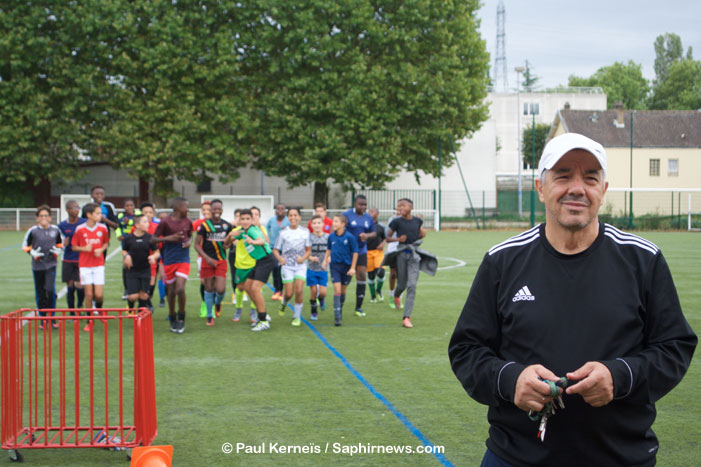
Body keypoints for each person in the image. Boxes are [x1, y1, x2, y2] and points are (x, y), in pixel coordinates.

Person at [448, 133, 697, 467]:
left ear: (603, 191)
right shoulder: (502, 261)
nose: (577, 188)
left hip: (621, 457)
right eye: (563, 175)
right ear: (541, 187)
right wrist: (511, 380)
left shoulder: (642, 260)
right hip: (516, 457)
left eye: (590, 178)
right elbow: (467, 350)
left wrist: (619, 376)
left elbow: (674, 346)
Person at [226, 209, 275, 332]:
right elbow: (229, 240)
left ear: (252, 220)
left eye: (248, 219)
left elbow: (262, 241)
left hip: (266, 260)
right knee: (247, 287)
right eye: (243, 219)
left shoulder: (252, 230)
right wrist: (229, 238)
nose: (245, 221)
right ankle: (262, 314)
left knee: (255, 288)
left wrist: (253, 241)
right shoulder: (242, 231)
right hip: (259, 261)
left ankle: (263, 320)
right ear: (239, 220)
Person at [152, 197, 193, 334]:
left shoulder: (188, 221)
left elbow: (190, 235)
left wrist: (189, 242)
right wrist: (167, 239)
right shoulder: (165, 222)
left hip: (183, 259)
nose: (188, 209)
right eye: (186, 207)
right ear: (177, 208)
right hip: (169, 260)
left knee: (180, 289)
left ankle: (181, 317)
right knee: (171, 292)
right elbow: (153, 239)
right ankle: (172, 316)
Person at [385, 199, 429, 328]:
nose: (400, 208)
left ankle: (406, 317)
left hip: (414, 256)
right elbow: (388, 238)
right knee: (402, 284)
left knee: (412, 286)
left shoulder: (417, 221)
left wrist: (422, 234)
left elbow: (420, 234)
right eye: (398, 206)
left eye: (402, 206)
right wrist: (398, 239)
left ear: (411, 207)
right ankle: (396, 295)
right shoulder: (396, 222)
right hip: (401, 254)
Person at [23, 205, 63, 329]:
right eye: (41, 216)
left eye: (46, 215)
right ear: (37, 218)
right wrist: (31, 252)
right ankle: (43, 318)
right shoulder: (33, 231)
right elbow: (25, 245)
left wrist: (58, 250)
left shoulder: (55, 230)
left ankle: (52, 317)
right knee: (40, 292)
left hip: (51, 265)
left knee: (50, 290)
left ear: (50, 217)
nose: (44, 218)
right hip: (37, 266)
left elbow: (60, 243)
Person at [71, 203, 110, 332]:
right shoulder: (80, 229)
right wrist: (84, 248)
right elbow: (74, 246)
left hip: (98, 265)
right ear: (89, 215)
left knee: (98, 295)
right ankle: (89, 321)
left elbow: (106, 243)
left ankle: (99, 309)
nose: (100, 216)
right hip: (85, 266)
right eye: (98, 213)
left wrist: (101, 249)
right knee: (88, 295)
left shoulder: (103, 228)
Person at [194, 199, 232, 326]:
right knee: (209, 289)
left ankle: (218, 303)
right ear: (210, 210)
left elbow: (228, 242)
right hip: (207, 262)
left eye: (219, 208)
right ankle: (210, 316)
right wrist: (207, 258)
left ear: (222, 210)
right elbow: (196, 245)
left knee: (220, 290)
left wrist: (228, 244)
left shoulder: (227, 225)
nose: (216, 211)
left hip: (221, 261)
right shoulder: (204, 225)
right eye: (214, 208)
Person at [273, 207, 311, 326]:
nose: (293, 218)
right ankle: (284, 303)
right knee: (289, 293)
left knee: (299, 290)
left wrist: (303, 258)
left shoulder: (305, 232)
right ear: (287, 217)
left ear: (299, 217)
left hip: (300, 266)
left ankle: (297, 316)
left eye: (295, 215)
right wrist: (280, 259)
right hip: (287, 267)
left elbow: (309, 250)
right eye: (290, 215)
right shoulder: (283, 232)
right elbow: (275, 250)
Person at [322, 215, 358, 326]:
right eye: (333, 221)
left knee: (343, 291)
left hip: (346, 268)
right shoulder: (331, 236)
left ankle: (339, 308)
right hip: (335, 267)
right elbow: (328, 249)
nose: (334, 223)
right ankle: (337, 317)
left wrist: (352, 268)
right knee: (337, 290)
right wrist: (324, 261)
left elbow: (355, 253)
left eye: (336, 221)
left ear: (343, 224)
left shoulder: (350, 237)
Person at [343, 195, 375, 317]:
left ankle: (358, 308)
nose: (363, 207)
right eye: (360, 204)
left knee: (361, 276)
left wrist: (366, 236)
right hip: (347, 252)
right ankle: (339, 304)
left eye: (365, 204)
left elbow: (374, 232)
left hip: (361, 251)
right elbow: (338, 229)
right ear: (354, 204)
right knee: (346, 278)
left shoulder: (368, 217)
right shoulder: (346, 215)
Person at [122, 215, 159, 313]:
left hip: (145, 270)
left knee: (144, 295)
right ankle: (130, 309)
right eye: (145, 222)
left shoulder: (150, 238)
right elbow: (124, 250)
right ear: (137, 225)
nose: (148, 224)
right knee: (133, 296)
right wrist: (127, 256)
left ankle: (140, 315)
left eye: (148, 222)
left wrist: (153, 257)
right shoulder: (129, 238)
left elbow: (157, 252)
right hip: (132, 271)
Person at [58, 200, 86, 312]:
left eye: (77, 207)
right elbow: (58, 242)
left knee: (80, 285)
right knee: (70, 286)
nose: (76, 210)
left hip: (81, 259)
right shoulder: (62, 225)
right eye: (73, 208)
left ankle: (79, 306)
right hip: (68, 259)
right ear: (67, 210)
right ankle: (71, 311)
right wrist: (62, 244)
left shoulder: (84, 222)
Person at [116, 199, 140, 300]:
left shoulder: (138, 213)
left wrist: (129, 221)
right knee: (126, 265)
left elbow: (138, 223)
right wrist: (119, 235)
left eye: (131, 205)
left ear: (134, 206)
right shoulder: (120, 216)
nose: (129, 207)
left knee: (138, 263)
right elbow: (117, 227)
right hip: (126, 242)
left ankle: (139, 289)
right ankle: (127, 289)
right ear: (124, 207)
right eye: (127, 205)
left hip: (137, 240)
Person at [306, 215, 329, 320]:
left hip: (323, 269)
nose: (317, 225)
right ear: (311, 225)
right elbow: (304, 252)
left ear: (323, 224)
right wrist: (310, 257)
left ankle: (321, 299)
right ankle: (314, 310)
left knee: (323, 292)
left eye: (319, 223)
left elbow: (331, 250)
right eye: (314, 223)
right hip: (311, 269)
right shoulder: (309, 237)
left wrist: (329, 258)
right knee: (314, 290)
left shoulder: (328, 237)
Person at [138, 202, 160, 311]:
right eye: (145, 212)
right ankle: (145, 302)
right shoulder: (136, 227)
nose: (148, 214)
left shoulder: (157, 227)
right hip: (139, 259)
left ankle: (148, 299)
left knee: (151, 282)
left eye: (150, 212)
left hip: (153, 258)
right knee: (140, 281)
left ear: (153, 214)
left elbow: (161, 242)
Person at [192, 201, 213, 318]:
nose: (205, 212)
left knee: (214, 282)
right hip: (202, 256)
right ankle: (205, 303)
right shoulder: (198, 223)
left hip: (216, 257)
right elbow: (187, 230)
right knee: (204, 282)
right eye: (203, 209)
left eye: (208, 209)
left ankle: (213, 305)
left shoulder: (217, 222)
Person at [266, 203, 290, 300]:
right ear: (275, 210)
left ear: (285, 211)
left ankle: (282, 290)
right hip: (273, 247)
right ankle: (277, 290)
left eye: (282, 209)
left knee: (282, 269)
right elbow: (266, 228)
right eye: (278, 209)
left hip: (284, 248)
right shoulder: (271, 220)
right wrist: (267, 237)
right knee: (275, 268)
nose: (280, 211)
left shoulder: (288, 221)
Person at [365, 208, 386, 304]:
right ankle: (373, 296)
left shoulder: (381, 226)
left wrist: (383, 244)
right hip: (367, 253)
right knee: (371, 275)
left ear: (377, 214)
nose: (370, 213)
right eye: (369, 211)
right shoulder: (364, 225)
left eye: (372, 212)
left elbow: (386, 237)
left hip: (378, 253)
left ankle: (379, 291)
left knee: (381, 271)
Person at [385, 206, 401, 309]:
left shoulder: (409, 220)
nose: (399, 211)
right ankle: (391, 296)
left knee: (402, 274)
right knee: (393, 273)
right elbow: (387, 234)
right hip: (393, 247)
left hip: (404, 248)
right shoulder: (392, 219)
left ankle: (398, 297)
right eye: (398, 208)